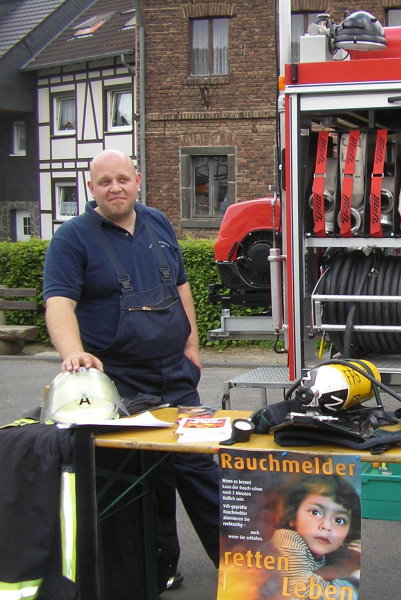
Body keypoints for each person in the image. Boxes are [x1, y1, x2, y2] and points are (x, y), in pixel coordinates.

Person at [42, 149, 220, 593]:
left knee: (199, 471)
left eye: (122, 179)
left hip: (175, 375)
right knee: (138, 478)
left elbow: (180, 286)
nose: (115, 188)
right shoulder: (73, 238)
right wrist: (74, 353)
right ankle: (156, 568)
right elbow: (59, 303)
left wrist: (192, 345)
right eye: (105, 182)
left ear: (137, 180)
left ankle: (244, 569)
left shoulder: (157, 222)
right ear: (91, 188)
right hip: (121, 379)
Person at [273, 474, 361, 599]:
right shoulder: (285, 539)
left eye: (339, 520)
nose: (326, 526)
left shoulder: (325, 556)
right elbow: (304, 591)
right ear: (292, 517)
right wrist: (355, 581)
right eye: (316, 512)